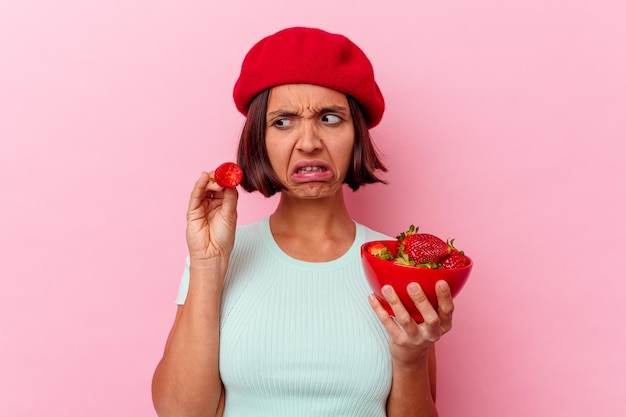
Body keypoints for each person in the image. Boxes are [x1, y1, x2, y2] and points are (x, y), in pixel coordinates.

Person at [152, 27, 454, 417]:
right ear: (258, 139)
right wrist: (208, 268)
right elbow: (180, 414)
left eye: (330, 118)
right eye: (283, 121)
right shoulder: (218, 256)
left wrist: (412, 358)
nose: (309, 141)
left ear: (356, 134)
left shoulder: (398, 265)